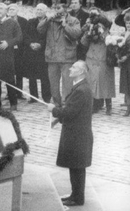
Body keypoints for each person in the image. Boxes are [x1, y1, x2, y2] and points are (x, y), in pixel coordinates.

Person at [47, 61, 93, 208]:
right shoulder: (81, 87)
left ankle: (78, 198)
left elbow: (69, 112)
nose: (70, 69)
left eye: (73, 67)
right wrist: (58, 119)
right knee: (75, 167)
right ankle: (75, 195)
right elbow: (74, 112)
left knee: (77, 168)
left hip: (77, 136)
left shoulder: (80, 90)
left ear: (80, 72)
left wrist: (54, 110)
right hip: (78, 134)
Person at [37, 3, 82, 106]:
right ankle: (57, 103)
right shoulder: (50, 20)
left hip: (67, 57)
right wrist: (47, 19)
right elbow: (39, 30)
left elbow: (77, 34)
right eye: (55, 9)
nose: (56, 11)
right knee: (53, 85)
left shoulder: (73, 20)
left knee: (67, 84)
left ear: (65, 10)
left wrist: (65, 25)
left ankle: (67, 104)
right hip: (52, 57)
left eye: (58, 8)